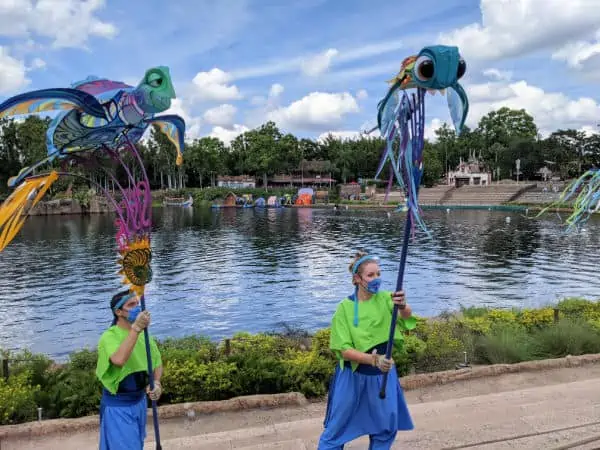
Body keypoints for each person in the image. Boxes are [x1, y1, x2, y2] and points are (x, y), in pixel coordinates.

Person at [318, 251, 417, 450]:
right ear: (357, 279)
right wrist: (373, 360)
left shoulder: (386, 299)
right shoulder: (344, 309)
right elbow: (343, 350)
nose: (376, 279)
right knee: (336, 431)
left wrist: (403, 305)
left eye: (378, 274)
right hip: (353, 377)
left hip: (383, 376)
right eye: (371, 275)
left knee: (385, 428)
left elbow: (406, 318)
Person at [96, 289, 163, 450]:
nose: (137, 308)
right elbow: (119, 360)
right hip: (118, 406)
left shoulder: (145, 335)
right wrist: (136, 329)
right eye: (131, 305)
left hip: (140, 402)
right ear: (118, 312)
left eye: (137, 304)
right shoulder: (109, 336)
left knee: (136, 445)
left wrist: (157, 382)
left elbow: (157, 362)